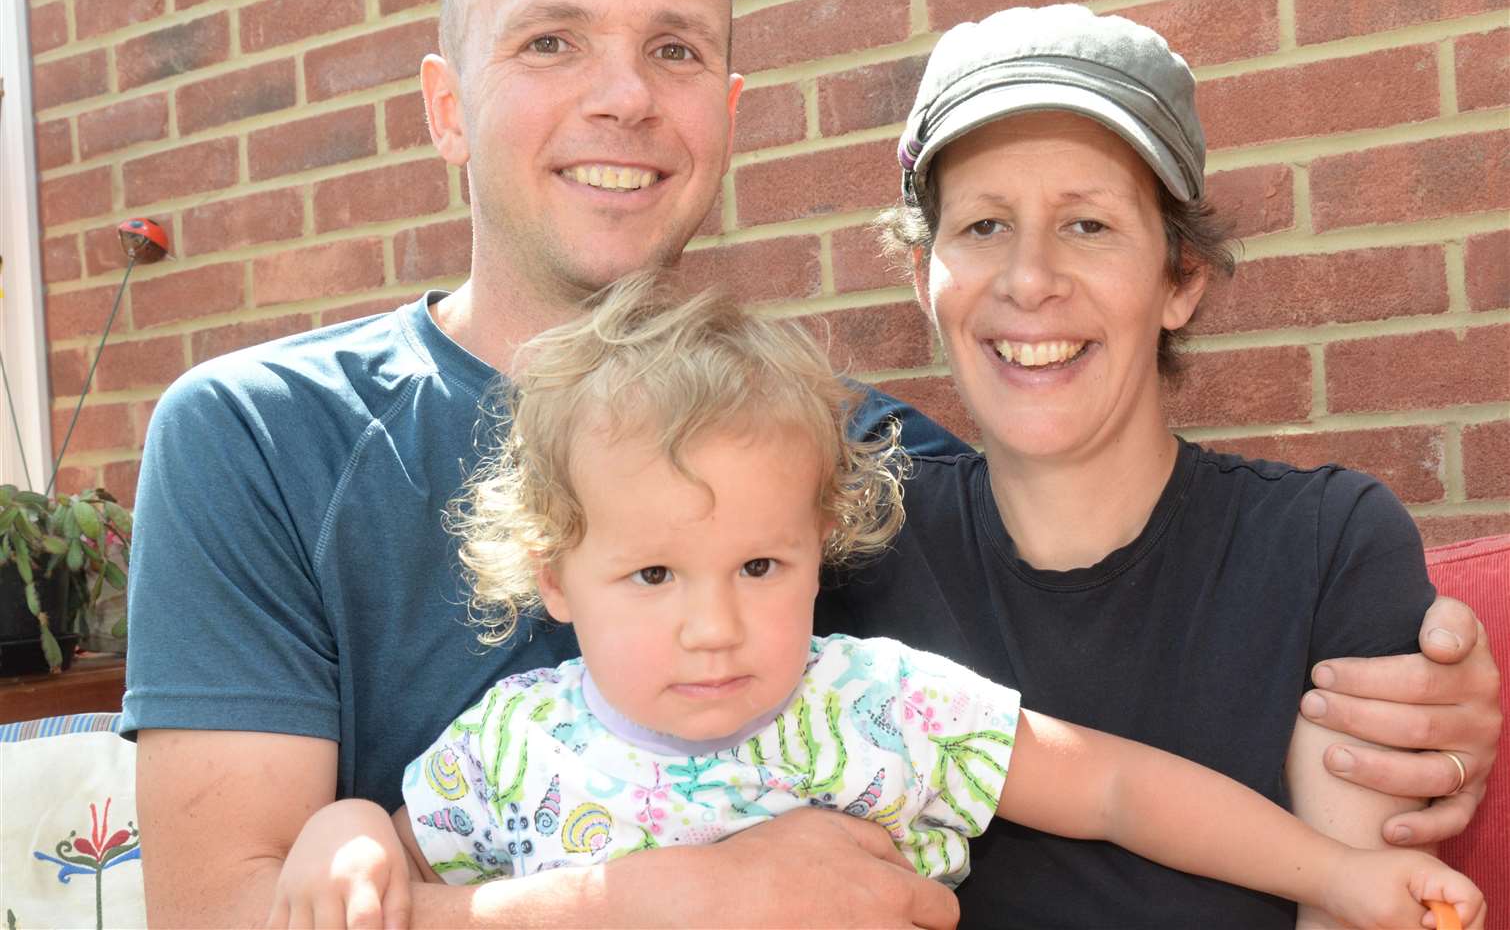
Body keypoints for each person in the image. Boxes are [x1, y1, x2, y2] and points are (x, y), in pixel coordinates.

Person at [123, 0, 1499, 926]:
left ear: (729, 104)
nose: (622, 98)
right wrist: (657, 908)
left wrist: (1432, 690)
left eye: (672, 50)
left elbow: (1088, 742)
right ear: (443, 106)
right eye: (549, 43)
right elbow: (223, 916)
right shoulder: (255, 435)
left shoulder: (857, 464)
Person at [267, 276, 1481, 930]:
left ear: (820, 550)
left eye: (760, 567)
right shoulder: (512, 743)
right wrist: (347, 833)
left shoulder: (876, 704)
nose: (714, 625)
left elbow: (1115, 786)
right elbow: (392, 842)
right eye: (652, 575)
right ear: (555, 579)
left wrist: (1333, 875)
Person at [815, 2, 1501, 928]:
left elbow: (1359, 907)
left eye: (1088, 225)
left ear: (1181, 278)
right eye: (981, 226)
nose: (1028, 279)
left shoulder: (1322, 548)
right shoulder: (844, 541)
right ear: (922, 279)